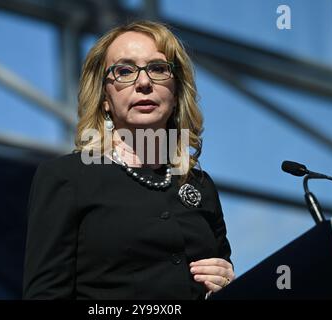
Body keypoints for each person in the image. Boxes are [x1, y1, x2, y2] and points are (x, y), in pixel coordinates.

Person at [23, 20, 234, 300]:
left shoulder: (201, 186)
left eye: (158, 69)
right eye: (124, 71)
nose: (144, 82)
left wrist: (226, 283)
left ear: (176, 90)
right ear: (104, 98)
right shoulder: (67, 178)